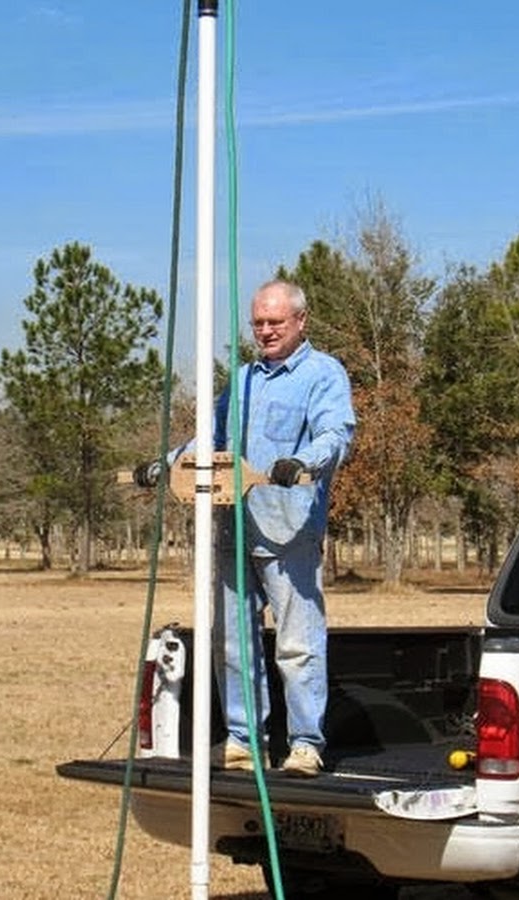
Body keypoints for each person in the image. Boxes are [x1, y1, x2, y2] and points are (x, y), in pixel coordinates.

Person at [135, 279, 355, 777]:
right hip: (233, 527)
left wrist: (301, 462)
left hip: (288, 531)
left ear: (301, 320)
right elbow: (208, 439)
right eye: (258, 323)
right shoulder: (242, 379)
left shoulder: (323, 375)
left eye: (275, 322)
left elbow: (336, 434)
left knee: (297, 644)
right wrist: (165, 465)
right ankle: (243, 739)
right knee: (232, 640)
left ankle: (304, 745)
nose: (266, 331)